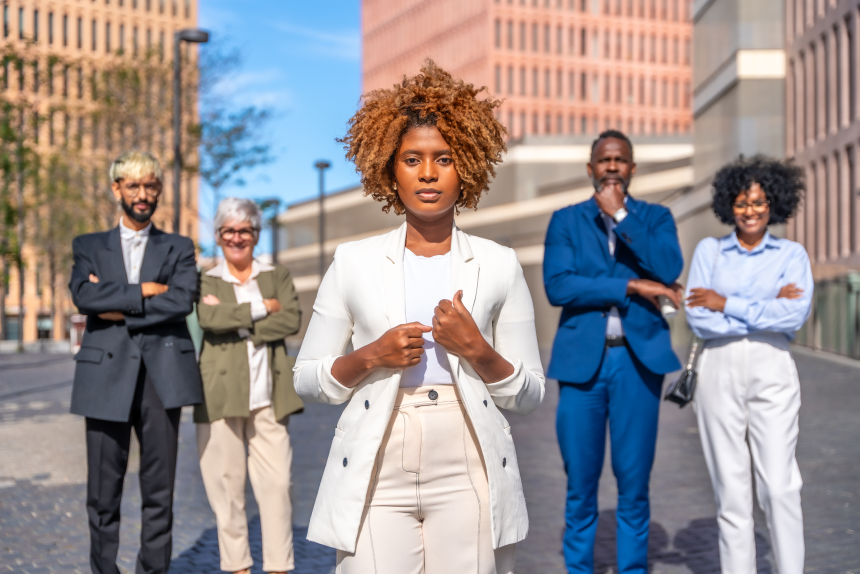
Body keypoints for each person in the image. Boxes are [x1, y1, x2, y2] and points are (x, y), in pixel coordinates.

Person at [293, 60, 545, 574]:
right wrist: (370, 356)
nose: (428, 173)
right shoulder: (353, 261)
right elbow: (306, 378)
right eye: (412, 159)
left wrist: (478, 350)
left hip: (469, 454)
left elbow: (530, 393)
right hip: (377, 450)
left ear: (466, 168)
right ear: (390, 168)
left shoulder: (498, 263)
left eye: (444, 158)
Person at [543, 130, 684, 574]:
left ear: (632, 168)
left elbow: (668, 267)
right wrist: (629, 286)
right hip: (582, 367)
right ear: (590, 168)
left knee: (634, 484)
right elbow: (558, 285)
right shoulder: (565, 221)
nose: (611, 167)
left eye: (620, 160)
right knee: (580, 484)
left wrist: (622, 216)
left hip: (637, 364)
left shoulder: (656, 218)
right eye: (604, 160)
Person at [68, 150, 202, 574]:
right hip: (103, 377)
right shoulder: (87, 245)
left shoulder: (179, 246)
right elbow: (84, 297)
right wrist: (145, 289)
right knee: (102, 494)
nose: (142, 195)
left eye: (150, 186)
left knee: (159, 491)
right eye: (133, 186)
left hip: (163, 380)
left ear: (159, 189)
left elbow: (181, 301)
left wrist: (114, 303)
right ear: (117, 189)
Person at [685, 155, 811, 574]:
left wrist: (726, 302)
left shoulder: (793, 255)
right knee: (731, 492)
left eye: (758, 202)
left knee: (779, 486)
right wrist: (768, 303)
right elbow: (698, 317)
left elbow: (792, 316)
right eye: (741, 203)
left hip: (772, 366)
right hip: (717, 369)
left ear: (774, 202)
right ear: (728, 205)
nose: (750, 210)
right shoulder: (710, 251)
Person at [195, 197, 303, 574]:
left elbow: (291, 319)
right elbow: (208, 318)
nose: (237, 238)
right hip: (218, 395)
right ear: (218, 235)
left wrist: (235, 320)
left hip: (269, 396)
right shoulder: (206, 279)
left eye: (244, 230)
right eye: (229, 231)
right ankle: (237, 566)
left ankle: (278, 566)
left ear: (256, 234)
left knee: (277, 487)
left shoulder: (277, 275)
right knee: (226, 488)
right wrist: (262, 308)